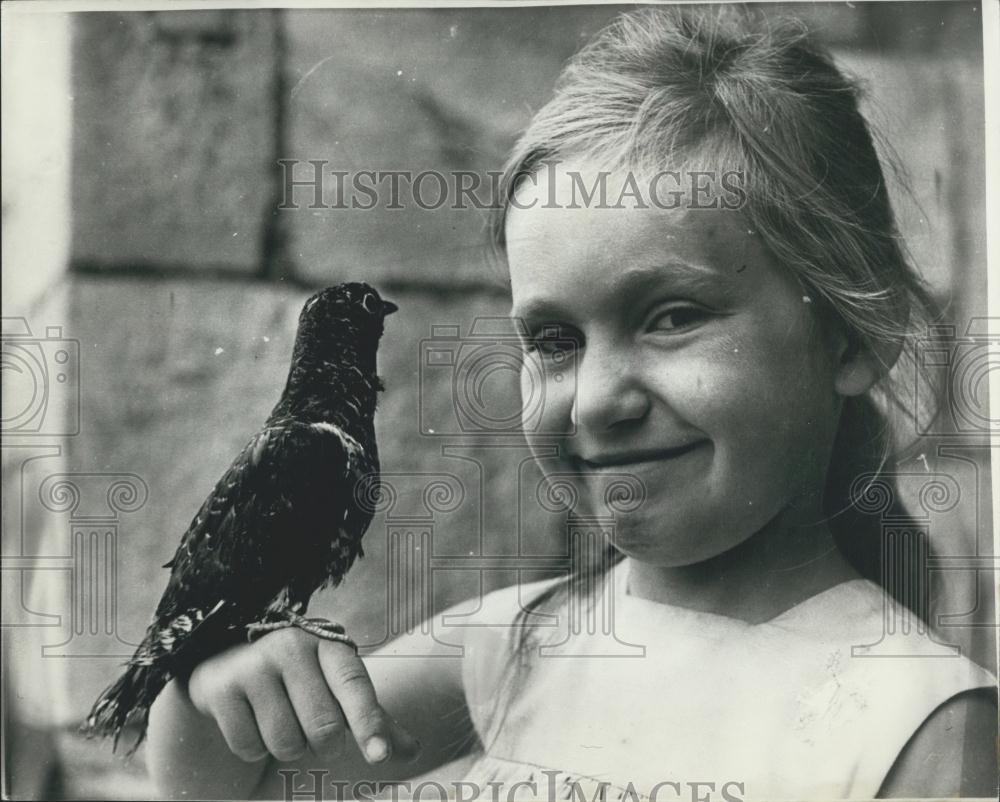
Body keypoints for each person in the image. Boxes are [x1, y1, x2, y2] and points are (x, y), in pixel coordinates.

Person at [146, 7, 997, 800]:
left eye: (671, 317)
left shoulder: (922, 727)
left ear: (851, 334)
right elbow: (234, 784)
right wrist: (213, 693)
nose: (594, 402)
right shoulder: (513, 643)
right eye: (554, 341)